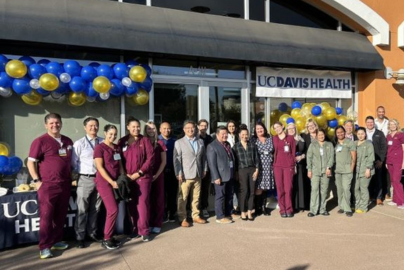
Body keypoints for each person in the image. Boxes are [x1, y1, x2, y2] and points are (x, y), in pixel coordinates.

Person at [27, 113, 73, 259]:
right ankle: (45, 246)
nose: (55, 125)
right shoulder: (40, 141)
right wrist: (37, 181)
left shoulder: (67, 141)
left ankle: (57, 240)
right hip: (48, 185)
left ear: (61, 123)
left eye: (57, 122)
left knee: (60, 215)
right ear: (46, 125)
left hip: (65, 184)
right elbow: (30, 162)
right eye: (51, 123)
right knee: (46, 216)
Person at [118, 117, 154, 242]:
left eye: (138, 126)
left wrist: (139, 173)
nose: (136, 129)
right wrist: (124, 174)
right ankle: (135, 229)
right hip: (128, 178)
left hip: (142, 177)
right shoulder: (122, 141)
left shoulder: (145, 141)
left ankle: (144, 231)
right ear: (128, 127)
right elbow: (118, 159)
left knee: (142, 204)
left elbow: (150, 159)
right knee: (131, 204)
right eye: (133, 126)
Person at [72, 117, 103, 249]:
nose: (93, 128)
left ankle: (92, 233)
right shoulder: (79, 144)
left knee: (96, 208)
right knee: (82, 209)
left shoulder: (103, 142)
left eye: (96, 125)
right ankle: (80, 237)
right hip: (85, 178)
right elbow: (73, 163)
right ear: (85, 127)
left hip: (101, 178)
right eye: (90, 126)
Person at [94, 124, 124, 249]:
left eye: (115, 134)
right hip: (105, 183)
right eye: (110, 134)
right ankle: (106, 238)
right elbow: (99, 167)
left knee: (113, 209)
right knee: (113, 210)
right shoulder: (99, 148)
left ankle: (110, 236)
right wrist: (111, 182)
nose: (113, 136)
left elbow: (120, 163)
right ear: (105, 133)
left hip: (116, 182)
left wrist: (122, 177)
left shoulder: (116, 148)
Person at [173, 120, 208, 227]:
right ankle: (182, 218)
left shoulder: (200, 142)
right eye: (187, 128)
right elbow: (176, 159)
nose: (190, 129)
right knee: (182, 198)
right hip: (185, 175)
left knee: (196, 197)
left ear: (195, 128)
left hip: (198, 173)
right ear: (184, 129)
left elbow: (204, 158)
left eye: (192, 127)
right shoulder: (179, 142)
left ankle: (196, 216)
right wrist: (179, 173)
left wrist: (204, 169)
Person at [207, 126, 236, 224]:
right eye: (222, 134)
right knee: (220, 196)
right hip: (220, 176)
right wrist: (216, 177)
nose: (225, 135)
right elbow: (212, 164)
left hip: (230, 174)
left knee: (229, 195)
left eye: (226, 134)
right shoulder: (212, 146)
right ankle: (219, 217)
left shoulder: (227, 144)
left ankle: (228, 213)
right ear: (217, 134)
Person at [144, 121, 167, 234]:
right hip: (145, 175)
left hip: (158, 175)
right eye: (148, 129)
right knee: (146, 200)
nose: (151, 131)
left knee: (158, 200)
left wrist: (156, 175)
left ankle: (157, 223)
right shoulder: (143, 142)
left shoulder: (160, 143)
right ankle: (147, 223)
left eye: (153, 128)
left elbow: (163, 162)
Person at [232, 127, 259, 221]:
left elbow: (256, 159)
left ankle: (249, 211)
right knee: (244, 191)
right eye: (242, 134)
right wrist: (235, 172)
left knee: (252, 191)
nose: (244, 136)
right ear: (239, 135)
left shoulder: (252, 145)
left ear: (248, 135)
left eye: (246, 134)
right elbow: (234, 161)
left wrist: (257, 170)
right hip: (241, 170)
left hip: (252, 169)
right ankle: (243, 211)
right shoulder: (235, 146)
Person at [306, 129, 334, 217]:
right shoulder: (313, 145)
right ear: (316, 136)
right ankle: (313, 210)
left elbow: (331, 157)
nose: (321, 136)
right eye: (319, 135)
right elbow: (309, 158)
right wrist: (309, 170)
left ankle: (323, 209)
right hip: (315, 171)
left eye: (322, 135)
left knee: (324, 191)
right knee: (314, 190)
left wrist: (328, 167)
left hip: (326, 171)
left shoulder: (329, 145)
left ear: (324, 135)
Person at [250, 122, 275, 216]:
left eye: (261, 128)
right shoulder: (253, 140)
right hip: (259, 167)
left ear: (264, 129)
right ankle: (257, 208)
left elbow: (273, 151)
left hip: (268, 166)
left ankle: (264, 208)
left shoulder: (269, 139)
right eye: (257, 129)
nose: (259, 130)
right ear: (255, 131)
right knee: (258, 188)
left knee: (265, 188)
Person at [273, 121, 296, 218]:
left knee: (288, 188)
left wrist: (293, 165)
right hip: (277, 166)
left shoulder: (290, 138)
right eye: (275, 128)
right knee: (280, 188)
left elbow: (293, 152)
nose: (277, 129)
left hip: (288, 166)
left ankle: (289, 209)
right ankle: (282, 210)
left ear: (282, 126)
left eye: (278, 126)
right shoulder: (273, 138)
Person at [334, 125, 356, 217]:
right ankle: (341, 207)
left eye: (341, 132)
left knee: (346, 189)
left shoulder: (349, 142)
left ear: (344, 132)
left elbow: (354, 157)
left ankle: (348, 208)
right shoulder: (335, 143)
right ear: (336, 134)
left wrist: (351, 168)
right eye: (338, 132)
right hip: (338, 170)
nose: (340, 134)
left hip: (347, 170)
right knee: (339, 189)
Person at [287, 122, 309, 212]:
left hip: (300, 165)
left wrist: (302, 156)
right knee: (291, 185)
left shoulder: (301, 138)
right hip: (290, 164)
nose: (291, 130)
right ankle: (292, 205)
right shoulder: (286, 139)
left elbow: (306, 151)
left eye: (293, 128)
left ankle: (300, 205)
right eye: (289, 129)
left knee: (300, 184)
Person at [365, 116, 387, 206]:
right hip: (366, 161)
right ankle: (369, 196)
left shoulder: (379, 133)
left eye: (371, 122)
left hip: (377, 160)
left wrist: (381, 160)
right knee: (368, 179)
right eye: (368, 122)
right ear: (365, 123)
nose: (370, 124)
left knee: (378, 179)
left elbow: (384, 147)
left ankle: (378, 198)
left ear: (374, 123)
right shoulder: (362, 132)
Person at [158, 122, 177, 222]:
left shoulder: (175, 141)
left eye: (168, 128)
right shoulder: (157, 140)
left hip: (173, 171)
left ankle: (172, 213)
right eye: (164, 128)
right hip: (161, 171)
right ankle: (163, 213)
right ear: (160, 129)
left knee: (172, 193)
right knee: (162, 194)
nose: (166, 130)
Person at [354, 127, 375, 213]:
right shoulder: (354, 143)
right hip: (356, 170)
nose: (360, 135)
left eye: (362, 134)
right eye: (359, 134)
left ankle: (364, 207)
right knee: (355, 188)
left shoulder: (368, 144)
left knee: (363, 188)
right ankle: (358, 204)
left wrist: (368, 169)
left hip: (365, 169)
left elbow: (371, 157)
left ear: (365, 134)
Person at [385, 119, 404, 209]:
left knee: (397, 180)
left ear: (397, 125)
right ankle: (395, 200)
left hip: (398, 161)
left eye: (394, 124)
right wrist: (386, 162)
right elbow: (388, 149)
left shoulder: (400, 135)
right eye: (391, 124)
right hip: (389, 161)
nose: (392, 126)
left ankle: (401, 202)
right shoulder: (388, 136)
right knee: (393, 181)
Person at [197, 119, 214, 218]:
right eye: (202, 125)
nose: (203, 127)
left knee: (204, 190)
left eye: (205, 126)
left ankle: (204, 208)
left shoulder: (210, 139)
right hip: (196, 167)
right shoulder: (195, 138)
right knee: (195, 190)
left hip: (206, 168)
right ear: (198, 126)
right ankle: (193, 209)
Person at [226, 120, 240, 216]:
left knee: (236, 188)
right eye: (230, 126)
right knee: (229, 188)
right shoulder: (225, 137)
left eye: (233, 126)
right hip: (228, 166)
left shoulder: (238, 137)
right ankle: (229, 208)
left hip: (237, 165)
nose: (231, 128)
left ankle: (236, 207)